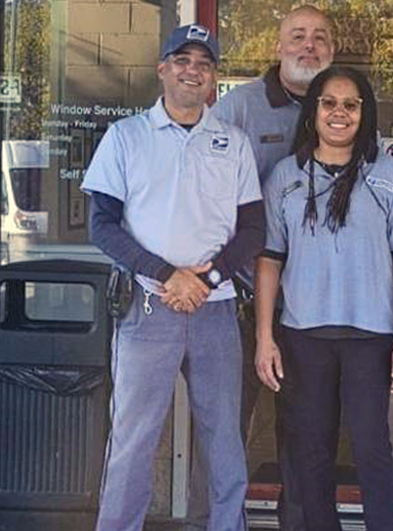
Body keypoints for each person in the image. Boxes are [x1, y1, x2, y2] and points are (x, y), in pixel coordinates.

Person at [81, 24, 263, 531]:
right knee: (135, 436)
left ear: (213, 78)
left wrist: (206, 279)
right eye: (182, 59)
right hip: (148, 305)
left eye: (204, 63)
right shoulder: (126, 137)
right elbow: (102, 226)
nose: (192, 70)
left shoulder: (234, 142)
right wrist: (166, 274)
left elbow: (254, 229)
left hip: (217, 307)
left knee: (223, 435)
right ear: (162, 68)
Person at [254, 65, 393, 531]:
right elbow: (269, 260)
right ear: (312, 112)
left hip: (371, 336)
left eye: (351, 104)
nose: (339, 113)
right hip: (303, 335)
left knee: (373, 449)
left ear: (363, 114)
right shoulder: (284, 177)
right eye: (328, 103)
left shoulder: (389, 176)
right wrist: (264, 337)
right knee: (311, 453)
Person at [207, 6, 335, 529]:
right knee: (228, 428)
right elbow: (206, 198)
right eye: (298, 37)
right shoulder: (239, 108)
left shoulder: (345, 107)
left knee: (306, 436)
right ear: (278, 47)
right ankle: (223, 522)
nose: (310, 46)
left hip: (314, 307)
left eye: (320, 38)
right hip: (240, 303)